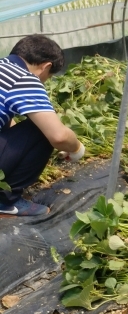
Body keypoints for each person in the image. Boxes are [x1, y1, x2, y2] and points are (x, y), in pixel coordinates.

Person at [0, 35, 85, 216]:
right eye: (50, 76)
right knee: (41, 129)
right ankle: (5, 201)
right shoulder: (23, 78)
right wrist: (77, 148)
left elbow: (5, 122)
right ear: (46, 67)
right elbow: (59, 136)